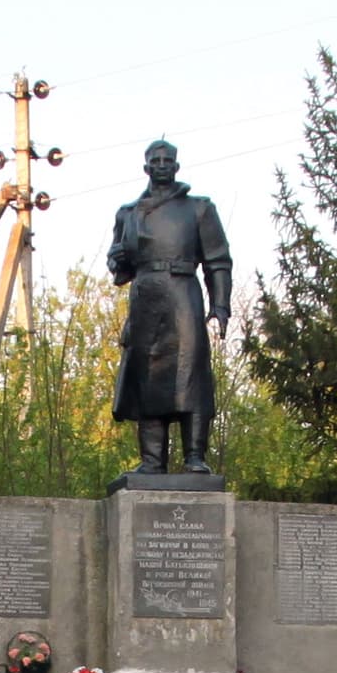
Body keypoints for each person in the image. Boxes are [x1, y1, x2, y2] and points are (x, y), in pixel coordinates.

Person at [107, 140, 232, 475]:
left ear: (176, 166)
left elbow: (218, 261)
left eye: (168, 160)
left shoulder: (199, 209)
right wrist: (117, 259)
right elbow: (120, 272)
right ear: (146, 167)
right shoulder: (129, 213)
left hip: (183, 292)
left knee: (190, 372)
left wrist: (220, 305)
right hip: (146, 295)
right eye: (155, 160)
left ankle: (195, 456)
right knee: (147, 374)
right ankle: (151, 460)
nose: (162, 165)